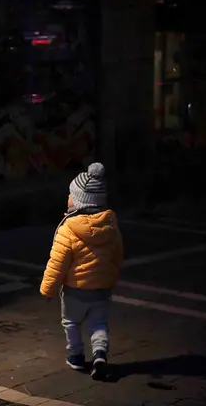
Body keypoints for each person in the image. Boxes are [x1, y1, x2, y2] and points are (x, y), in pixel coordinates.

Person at [39, 162, 124, 380]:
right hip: (101, 290)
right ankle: (100, 355)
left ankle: (76, 356)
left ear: (79, 201)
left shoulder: (68, 229)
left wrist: (48, 289)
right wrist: (111, 278)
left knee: (71, 322)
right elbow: (117, 256)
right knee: (99, 324)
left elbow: (57, 262)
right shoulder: (111, 226)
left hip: (75, 291)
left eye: (71, 194)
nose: (68, 197)